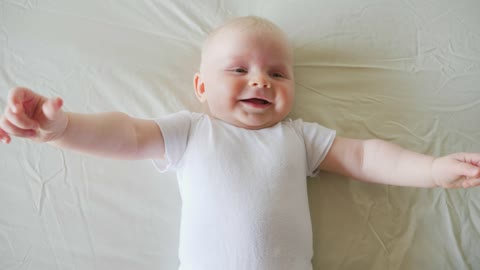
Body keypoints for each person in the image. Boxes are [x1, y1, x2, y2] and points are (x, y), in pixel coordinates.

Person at [1, 16, 479, 270]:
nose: (261, 81)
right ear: (201, 87)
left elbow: (365, 155)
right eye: (239, 70)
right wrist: (62, 129)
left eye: (277, 73)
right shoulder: (191, 131)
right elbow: (126, 133)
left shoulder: (297, 138)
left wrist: (432, 169)